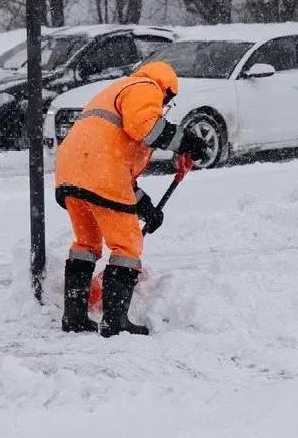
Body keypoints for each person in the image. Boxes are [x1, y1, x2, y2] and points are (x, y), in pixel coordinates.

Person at [54, 60, 209, 337]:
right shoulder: (147, 87)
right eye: (167, 101)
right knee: (126, 246)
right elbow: (146, 130)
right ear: (167, 90)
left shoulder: (115, 91)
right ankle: (115, 322)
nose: (163, 108)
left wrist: (146, 208)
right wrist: (187, 141)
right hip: (100, 174)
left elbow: (118, 176)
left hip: (70, 173)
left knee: (85, 243)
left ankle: (74, 316)